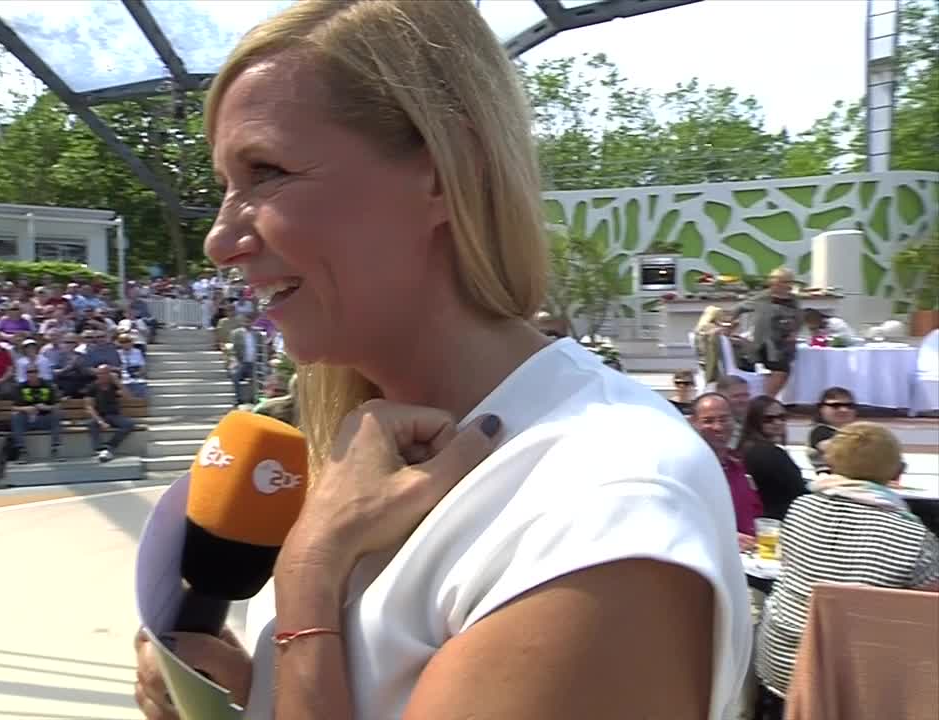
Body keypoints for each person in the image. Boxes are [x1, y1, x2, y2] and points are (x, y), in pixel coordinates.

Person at [134, 4, 748, 719]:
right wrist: (247, 695)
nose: (218, 240)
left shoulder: (607, 501)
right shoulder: (351, 465)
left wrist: (309, 575)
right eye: (225, 186)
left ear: (444, 173)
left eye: (266, 172)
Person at [754, 422, 939, 707]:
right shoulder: (912, 536)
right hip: (854, 682)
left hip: (779, 663)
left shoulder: (800, 509)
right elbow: (928, 610)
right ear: (895, 473)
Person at [691, 393, 764, 552]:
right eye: (708, 421)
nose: (718, 427)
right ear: (693, 423)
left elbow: (755, 512)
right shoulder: (688, 469)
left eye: (724, 419)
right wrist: (725, 537)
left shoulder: (737, 464)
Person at [734, 268, 801, 397]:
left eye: (789, 282)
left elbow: (799, 317)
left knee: (783, 369)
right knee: (781, 370)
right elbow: (740, 307)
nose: (788, 286)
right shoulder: (764, 297)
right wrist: (727, 321)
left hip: (783, 343)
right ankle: (766, 399)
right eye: (784, 282)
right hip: (765, 342)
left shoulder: (793, 299)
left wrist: (794, 332)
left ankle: (767, 399)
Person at [738, 396, 807, 521]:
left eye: (782, 417)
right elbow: (799, 491)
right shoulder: (771, 454)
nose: (778, 422)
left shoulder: (744, 448)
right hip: (782, 518)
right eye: (768, 419)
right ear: (754, 421)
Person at [10, 366, 61, 462]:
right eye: (29, 372)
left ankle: (56, 449)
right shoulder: (20, 387)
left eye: (34, 372)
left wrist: (46, 407)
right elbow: (14, 407)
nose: (32, 374)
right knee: (16, 417)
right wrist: (26, 409)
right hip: (27, 420)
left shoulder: (48, 386)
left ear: (38, 373)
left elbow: (57, 406)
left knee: (56, 415)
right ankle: (22, 451)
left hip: (44, 418)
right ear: (26, 374)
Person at [85, 364, 135, 463]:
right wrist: (100, 421)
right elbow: (89, 406)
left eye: (105, 373)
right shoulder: (92, 387)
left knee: (128, 424)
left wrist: (118, 382)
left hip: (114, 415)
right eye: (100, 373)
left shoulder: (114, 386)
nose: (102, 376)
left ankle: (109, 446)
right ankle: (99, 449)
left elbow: (129, 396)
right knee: (91, 424)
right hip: (100, 416)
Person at [807, 386, 856, 474]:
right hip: (829, 477)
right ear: (821, 409)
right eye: (835, 406)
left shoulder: (857, 431)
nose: (844, 410)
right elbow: (834, 449)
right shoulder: (820, 431)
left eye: (849, 406)